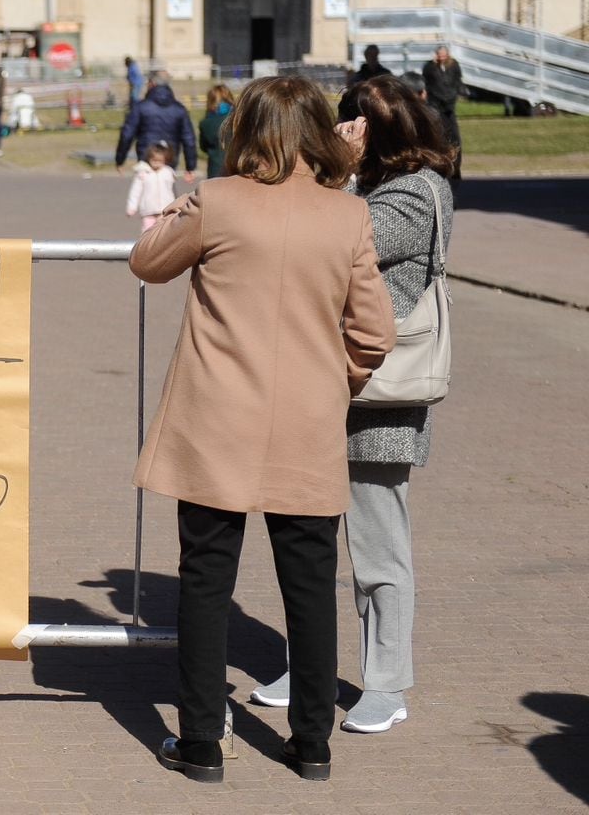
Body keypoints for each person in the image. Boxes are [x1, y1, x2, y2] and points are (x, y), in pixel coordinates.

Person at [131, 76, 395, 785]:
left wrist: (190, 202)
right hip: (307, 416)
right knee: (309, 585)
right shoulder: (346, 217)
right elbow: (375, 332)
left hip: (217, 415)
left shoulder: (218, 203)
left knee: (206, 579)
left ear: (244, 129)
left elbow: (147, 261)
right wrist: (336, 380)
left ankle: (201, 743)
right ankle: (312, 742)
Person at [252, 75, 456, 736]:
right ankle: (310, 666)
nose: (343, 131)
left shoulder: (414, 196)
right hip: (323, 383)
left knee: (377, 546)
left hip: (378, 392)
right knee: (307, 544)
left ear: (386, 129)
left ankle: (387, 682)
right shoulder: (365, 191)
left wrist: (325, 166)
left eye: (355, 122)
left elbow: (321, 237)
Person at [115, 71, 196, 181]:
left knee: (145, 192)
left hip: (147, 157)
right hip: (169, 158)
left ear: (152, 83)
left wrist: (120, 159)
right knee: (167, 192)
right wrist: (190, 166)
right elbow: (189, 139)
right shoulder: (179, 109)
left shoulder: (140, 107)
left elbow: (127, 134)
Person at [421, 46, 463, 191]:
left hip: (449, 107)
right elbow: (427, 83)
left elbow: (457, 82)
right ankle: (439, 167)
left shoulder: (453, 65)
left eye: (444, 55)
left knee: (455, 138)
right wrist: (434, 65)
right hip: (436, 105)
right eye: (440, 55)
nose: (442, 58)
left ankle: (456, 168)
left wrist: (453, 97)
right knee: (439, 137)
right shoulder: (429, 67)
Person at [125, 140, 177, 231]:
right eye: (154, 160)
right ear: (149, 159)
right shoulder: (143, 173)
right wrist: (132, 207)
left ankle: (162, 245)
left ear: (165, 160)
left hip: (165, 208)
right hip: (148, 209)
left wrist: (175, 205)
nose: (156, 163)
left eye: (160, 161)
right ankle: (147, 245)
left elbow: (172, 190)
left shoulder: (168, 172)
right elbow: (135, 191)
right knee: (147, 231)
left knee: (163, 230)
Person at [198, 83, 234, 179]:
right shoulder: (240, 118)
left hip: (215, 169)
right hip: (237, 168)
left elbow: (203, 147)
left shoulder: (206, 123)